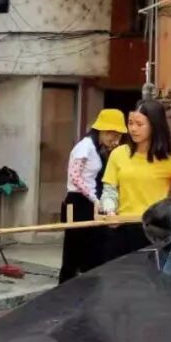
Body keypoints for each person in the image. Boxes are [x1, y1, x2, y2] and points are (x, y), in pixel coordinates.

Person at [100, 99, 171, 261]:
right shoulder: (118, 154)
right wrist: (110, 211)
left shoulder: (169, 159)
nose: (133, 129)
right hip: (120, 230)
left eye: (139, 124)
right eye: (130, 123)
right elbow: (109, 190)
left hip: (153, 234)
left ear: (155, 126)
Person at [58, 110, 127, 283]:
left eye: (118, 137)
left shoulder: (98, 149)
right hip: (78, 201)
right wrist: (94, 198)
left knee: (95, 248)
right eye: (113, 135)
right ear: (103, 131)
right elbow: (75, 176)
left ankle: (89, 285)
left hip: (91, 202)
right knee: (73, 250)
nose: (115, 140)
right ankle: (66, 286)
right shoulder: (85, 146)